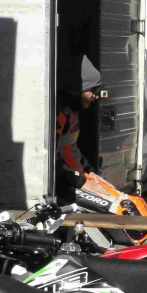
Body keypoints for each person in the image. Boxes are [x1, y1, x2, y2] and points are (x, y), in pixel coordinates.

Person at [54, 55, 101, 199]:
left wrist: (89, 170)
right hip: (66, 185)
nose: (96, 96)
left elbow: (71, 148)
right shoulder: (60, 114)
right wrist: (79, 180)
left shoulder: (73, 112)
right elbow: (52, 160)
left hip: (76, 180)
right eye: (93, 90)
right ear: (77, 89)